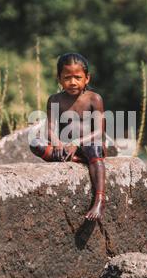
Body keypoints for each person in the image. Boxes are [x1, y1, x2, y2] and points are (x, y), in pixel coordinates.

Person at [30, 53, 106, 221]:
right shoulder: (55, 100)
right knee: (35, 143)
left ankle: (100, 200)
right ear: (59, 79)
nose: (73, 82)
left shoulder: (94, 99)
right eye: (67, 77)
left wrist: (76, 143)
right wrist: (56, 142)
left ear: (87, 78)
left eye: (78, 77)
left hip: (88, 144)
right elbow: (49, 129)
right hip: (65, 147)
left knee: (94, 147)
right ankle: (76, 160)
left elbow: (100, 132)